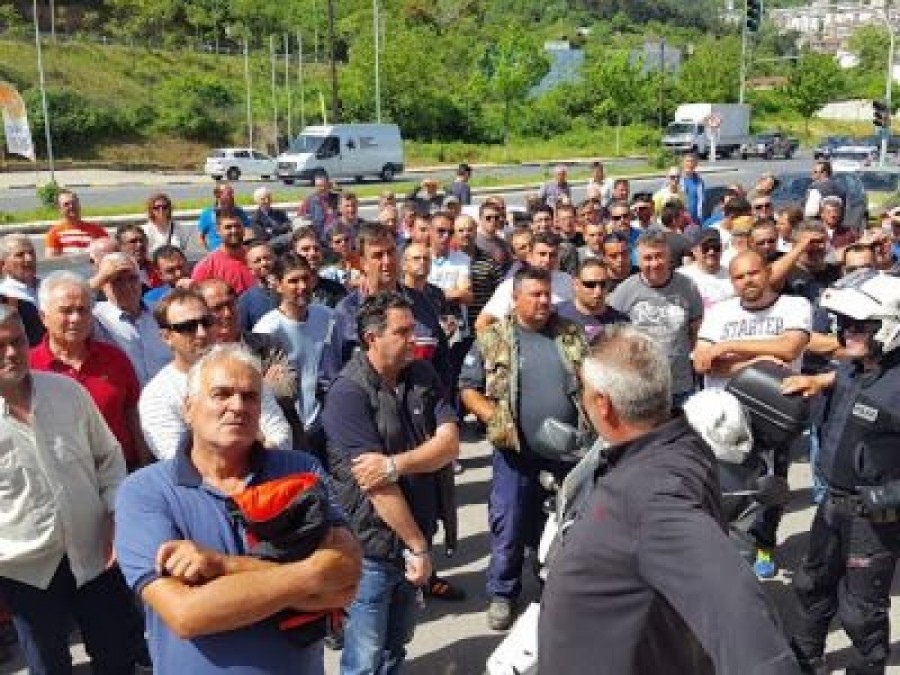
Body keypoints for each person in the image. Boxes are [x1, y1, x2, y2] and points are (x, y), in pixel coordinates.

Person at [537, 326, 799, 674]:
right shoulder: (677, 442)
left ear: (603, 404)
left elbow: (736, 607)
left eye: (581, 390)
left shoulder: (654, 498)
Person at [115, 344, 361, 674]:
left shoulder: (302, 469)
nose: (237, 406)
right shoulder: (145, 491)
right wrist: (314, 575)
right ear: (189, 408)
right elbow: (187, 614)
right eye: (221, 394)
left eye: (250, 396)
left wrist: (224, 566)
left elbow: (347, 575)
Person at [0, 306, 147, 674]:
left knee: (117, 656)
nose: (12, 353)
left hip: (95, 552)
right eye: (0, 346)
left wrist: (114, 512)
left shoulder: (66, 393)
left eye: (17, 342)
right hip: (26, 569)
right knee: (49, 665)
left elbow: (109, 457)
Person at [323, 291, 459, 674]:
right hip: (372, 548)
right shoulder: (348, 394)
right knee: (365, 658)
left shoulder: (422, 373)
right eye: (402, 332)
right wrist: (418, 547)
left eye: (413, 329)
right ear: (372, 338)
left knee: (396, 647)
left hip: (416, 532)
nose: (413, 339)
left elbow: (449, 444)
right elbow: (377, 487)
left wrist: (395, 464)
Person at [783, 270, 900, 675]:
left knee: (862, 612)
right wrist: (817, 381)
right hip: (832, 503)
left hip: (874, 519)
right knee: (811, 585)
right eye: (844, 323)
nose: (847, 331)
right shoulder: (852, 367)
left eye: (858, 325)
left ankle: (869, 667)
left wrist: (888, 496)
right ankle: (806, 660)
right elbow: (848, 381)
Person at [460, 266, 588, 630]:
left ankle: (556, 587)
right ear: (515, 299)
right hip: (515, 453)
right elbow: (468, 388)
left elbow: (591, 380)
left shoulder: (570, 334)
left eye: (547, 294)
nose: (544, 301)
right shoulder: (493, 338)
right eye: (535, 294)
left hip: (567, 454)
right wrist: (495, 418)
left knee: (563, 525)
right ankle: (503, 592)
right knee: (510, 523)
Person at [139, 289, 292, 459]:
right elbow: (177, 459)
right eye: (188, 327)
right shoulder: (157, 395)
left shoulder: (243, 369)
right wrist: (256, 442)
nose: (202, 333)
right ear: (166, 337)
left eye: (207, 322)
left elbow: (282, 437)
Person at [33, 270, 152, 472]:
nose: (76, 318)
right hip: (65, 477)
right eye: (66, 311)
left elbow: (132, 413)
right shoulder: (30, 366)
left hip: (123, 470)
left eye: (83, 310)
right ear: (43, 317)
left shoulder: (115, 358)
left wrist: (145, 466)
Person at [253, 253, 342, 459]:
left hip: (327, 421)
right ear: (278, 285)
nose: (302, 286)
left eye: (305, 278)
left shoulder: (327, 316)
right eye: (293, 281)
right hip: (293, 428)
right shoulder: (267, 329)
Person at [608, 230, 704, 405]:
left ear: (669, 257)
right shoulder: (625, 291)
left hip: (680, 386)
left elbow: (696, 329)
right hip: (641, 388)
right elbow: (612, 335)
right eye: (647, 258)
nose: (654, 263)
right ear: (638, 260)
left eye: (659, 256)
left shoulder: (687, 286)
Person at [92, 252, 172, 387]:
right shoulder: (95, 318)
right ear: (103, 285)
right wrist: (100, 277)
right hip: (128, 398)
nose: (127, 286)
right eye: (117, 280)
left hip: (168, 394)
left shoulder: (161, 312)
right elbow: (69, 300)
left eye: (133, 278)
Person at [476, 232, 574, 331]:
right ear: (530, 256)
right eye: (542, 254)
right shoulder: (512, 285)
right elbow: (482, 322)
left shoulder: (568, 281)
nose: (547, 260)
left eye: (553, 255)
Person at [555, 258, 629, 341]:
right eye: (590, 284)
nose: (598, 291)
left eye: (603, 284)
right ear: (576, 284)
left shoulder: (621, 322)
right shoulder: (555, 314)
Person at [191, 212, 259, 296]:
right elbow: (197, 296)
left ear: (243, 229)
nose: (234, 231)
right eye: (228, 227)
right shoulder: (206, 267)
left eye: (237, 226)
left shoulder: (258, 256)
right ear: (218, 231)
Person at [677, 228, 735, 309]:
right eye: (706, 248)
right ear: (694, 251)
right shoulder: (681, 278)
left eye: (716, 247)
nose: (711, 252)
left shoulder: (733, 274)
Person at [292, 227, 348, 308]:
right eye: (305, 249)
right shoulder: (286, 292)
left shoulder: (337, 290)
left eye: (316, 249)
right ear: (294, 253)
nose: (312, 253)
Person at [44, 190, 109, 258]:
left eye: (74, 203)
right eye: (66, 204)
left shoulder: (97, 230)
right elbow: (52, 260)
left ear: (79, 205)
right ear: (59, 209)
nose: (71, 206)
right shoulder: (54, 233)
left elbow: (109, 253)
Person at [237, 241, 281, 332]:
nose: (264, 263)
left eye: (267, 258)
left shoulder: (293, 287)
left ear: (275, 259)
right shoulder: (246, 301)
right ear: (250, 269)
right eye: (257, 261)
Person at [196, 183, 252, 251]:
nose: (232, 196)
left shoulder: (239, 212)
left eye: (232, 193)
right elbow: (201, 237)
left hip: (237, 251)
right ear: (218, 196)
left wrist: (246, 250)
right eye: (228, 194)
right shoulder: (208, 213)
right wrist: (209, 253)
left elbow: (248, 232)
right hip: (217, 252)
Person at [115, 223, 162, 289]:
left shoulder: (157, 268)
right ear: (120, 247)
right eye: (133, 241)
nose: (140, 245)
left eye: (142, 240)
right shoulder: (116, 273)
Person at [0, 234, 39, 305]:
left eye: (31, 253)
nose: (29, 259)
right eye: (20, 255)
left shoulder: (50, 287)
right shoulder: (4, 296)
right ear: (3, 264)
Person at [679, 152, 705, 226]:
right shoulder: (675, 179)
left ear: (695, 164)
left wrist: (700, 220)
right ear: (683, 163)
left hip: (695, 220)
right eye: (687, 161)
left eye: (692, 161)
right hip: (679, 220)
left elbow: (701, 202)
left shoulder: (699, 181)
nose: (690, 164)